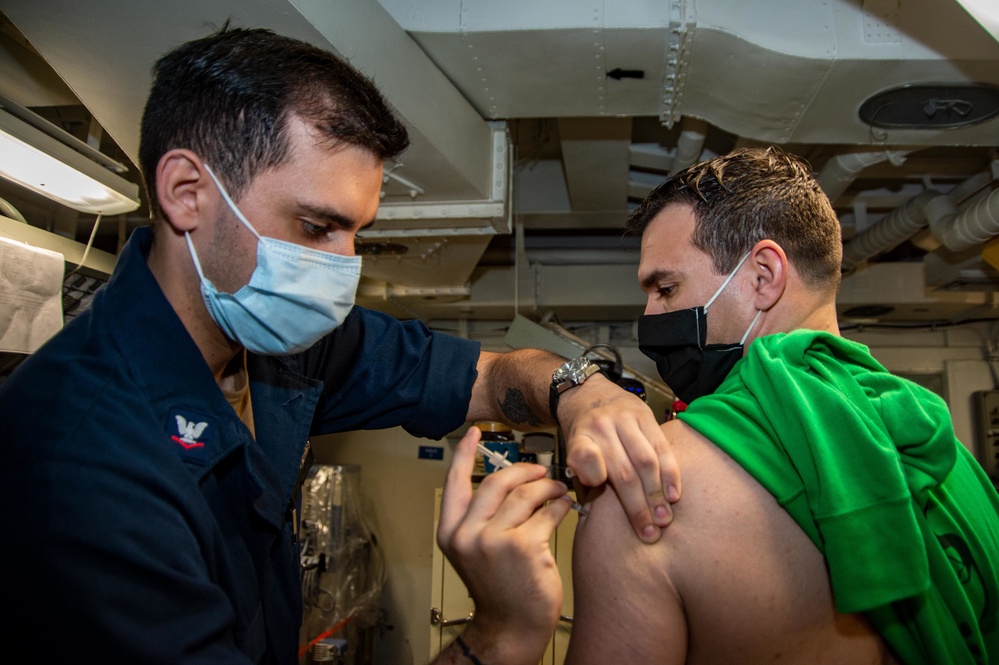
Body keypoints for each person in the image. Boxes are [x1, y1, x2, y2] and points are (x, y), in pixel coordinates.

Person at [0, 27, 681, 664]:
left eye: (357, 233)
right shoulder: (79, 462)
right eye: (317, 225)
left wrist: (577, 388)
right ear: (186, 192)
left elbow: (490, 371)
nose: (342, 266)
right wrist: (497, 632)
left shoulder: (279, 345)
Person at [437, 147, 999, 665]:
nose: (651, 318)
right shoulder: (952, 460)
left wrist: (501, 627)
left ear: (763, 276)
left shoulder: (649, 495)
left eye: (666, 288)